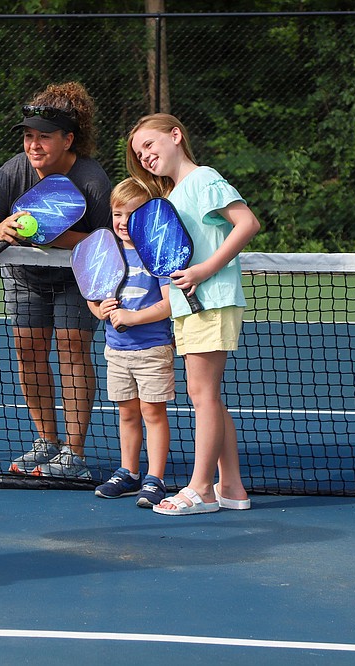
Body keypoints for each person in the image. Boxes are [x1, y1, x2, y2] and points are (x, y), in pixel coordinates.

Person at [126, 112, 260, 516]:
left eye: (150, 145)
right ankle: (231, 487)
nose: (145, 156)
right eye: (138, 153)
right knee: (208, 399)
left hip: (211, 299)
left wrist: (204, 270)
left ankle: (201, 488)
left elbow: (246, 223)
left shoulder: (203, 178)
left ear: (176, 135)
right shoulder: (172, 194)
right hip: (190, 305)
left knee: (202, 397)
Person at [0, 81, 112, 479]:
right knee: (27, 350)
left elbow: (109, 241)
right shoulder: (12, 172)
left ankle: (74, 451)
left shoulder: (92, 180)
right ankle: (46, 441)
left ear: (69, 139)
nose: (34, 145)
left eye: (45, 138)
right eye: (29, 136)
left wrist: (58, 237)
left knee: (72, 350)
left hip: (75, 276)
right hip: (25, 277)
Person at [89, 178, 173, 508]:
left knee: (153, 414)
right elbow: (94, 299)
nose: (123, 222)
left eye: (133, 213)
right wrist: (100, 310)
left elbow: (170, 303)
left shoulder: (158, 254)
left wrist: (132, 318)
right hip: (117, 351)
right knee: (127, 414)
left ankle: (155, 478)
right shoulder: (106, 254)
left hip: (152, 350)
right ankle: (129, 473)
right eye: (117, 214)